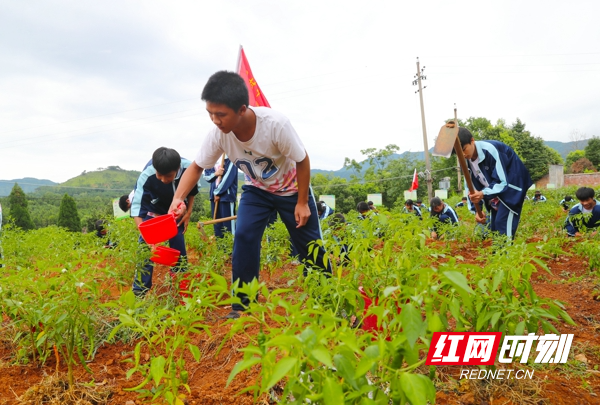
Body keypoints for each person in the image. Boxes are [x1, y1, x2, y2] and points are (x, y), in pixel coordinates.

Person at [168, 71, 331, 319]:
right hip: (257, 190)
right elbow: (196, 167)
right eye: (210, 113)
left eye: (221, 114)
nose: (215, 120)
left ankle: (328, 298)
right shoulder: (218, 135)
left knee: (309, 246)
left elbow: (302, 159)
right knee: (243, 236)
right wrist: (177, 198)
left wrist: (301, 203)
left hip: (291, 189)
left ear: (242, 109)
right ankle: (243, 305)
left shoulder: (275, 125)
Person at [131, 147, 199, 297]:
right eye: (159, 175)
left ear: (177, 169)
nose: (162, 179)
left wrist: (188, 212)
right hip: (153, 210)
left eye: (167, 176)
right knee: (145, 248)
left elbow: (192, 190)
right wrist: (147, 235)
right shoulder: (146, 175)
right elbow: (136, 208)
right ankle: (140, 290)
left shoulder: (189, 168)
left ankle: (180, 285)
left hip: (176, 212)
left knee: (178, 243)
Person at [456, 125, 532, 239]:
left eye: (464, 150)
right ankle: (498, 255)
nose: (463, 155)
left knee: (503, 225)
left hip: (511, 189)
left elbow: (502, 182)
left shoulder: (491, 150)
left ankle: (505, 255)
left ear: (472, 141)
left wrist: (482, 194)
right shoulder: (466, 161)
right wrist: (477, 210)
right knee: (495, 227)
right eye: (458, 153)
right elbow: (470, 187)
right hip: (493, 193)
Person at [203, 155, 238, 238]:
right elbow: (207, 177)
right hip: (214, 197)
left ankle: (231, 249)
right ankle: (220, 248)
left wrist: (218, 192)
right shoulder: (211, 158)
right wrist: (216, 174)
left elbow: (228, 177)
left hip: (226, 196)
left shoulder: (231, 157)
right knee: (217, 226)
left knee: (228, 226)